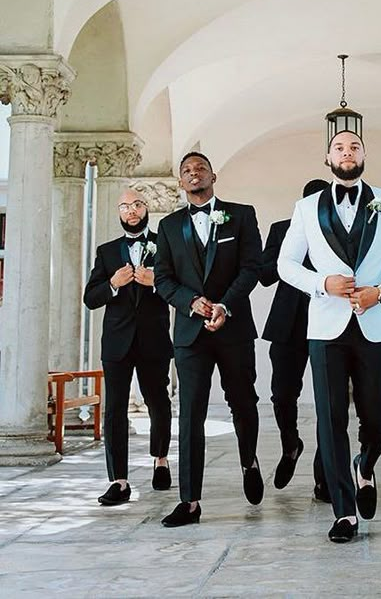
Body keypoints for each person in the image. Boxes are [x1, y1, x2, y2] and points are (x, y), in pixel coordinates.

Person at [278, 131, 381, 542]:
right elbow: (287, 265)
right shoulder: (305, 208)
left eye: (354, 146)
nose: (346, 152)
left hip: (374, 323)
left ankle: (366, 464)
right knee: (331, 417)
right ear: (327, 157)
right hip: (326, 328)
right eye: (339, 147)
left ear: (365, 155)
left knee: (378, 419)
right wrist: (323, 283)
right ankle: (343, 512)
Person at [154, 152, 263, 527]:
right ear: (181, 183)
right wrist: (192, 303)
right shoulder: (168, 227)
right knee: (191, 414)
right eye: (186, 171)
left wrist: (225, 306)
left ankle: (249, 460)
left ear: (213, 175)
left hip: (232, 328)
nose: (193, 173)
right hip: (189, 334)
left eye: (199, 167)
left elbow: (253, 267)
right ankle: (190, 501)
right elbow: (163, 279)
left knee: (243, 402)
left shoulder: (242, 215)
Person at [83, 189, 173, 505]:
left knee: (158, 402)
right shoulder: (106, 252)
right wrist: (112, 284)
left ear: (146, 209)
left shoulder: (165, 246)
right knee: (115, 410)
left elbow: (181, 288)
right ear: (119, 213)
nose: (131, 211)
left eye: (136, 205)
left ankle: (160, 459)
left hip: (154, 339)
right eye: (124, 206)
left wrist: (156, 282)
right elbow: (90, 298)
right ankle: (118, 481)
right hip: (117, 343)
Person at [260, 178, 330, 502]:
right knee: (281, 395)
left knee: (327, 404)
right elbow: (264, 275)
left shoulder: (339, 232)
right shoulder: (281, 229)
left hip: (328, 324)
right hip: (287, 325)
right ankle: (291, 445)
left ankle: (324, 478)